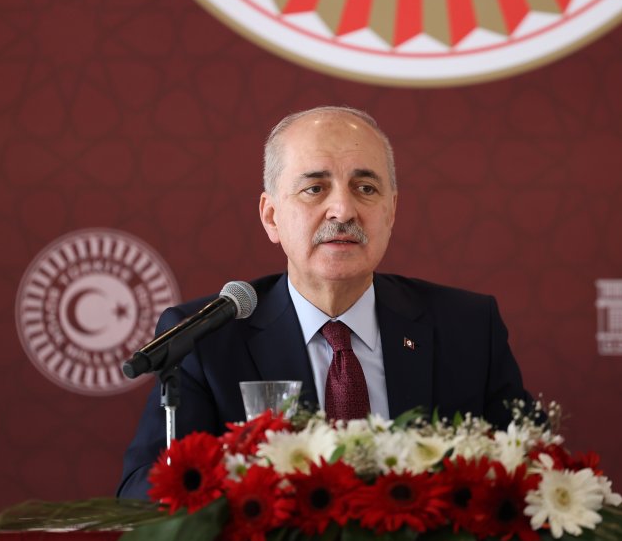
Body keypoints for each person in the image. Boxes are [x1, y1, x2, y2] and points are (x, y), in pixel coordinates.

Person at [117, 106, 528, 499]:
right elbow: (145, 490)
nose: (343, 209)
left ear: (391, 212)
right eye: (315, 188)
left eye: (365, 189)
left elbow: (534, 473)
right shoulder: (208, 338)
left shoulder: (468, 328)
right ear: (271, 216)